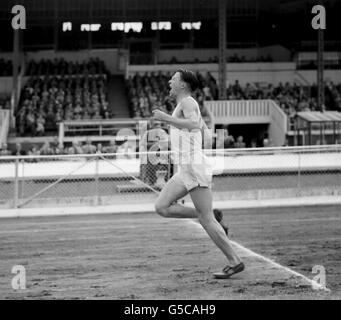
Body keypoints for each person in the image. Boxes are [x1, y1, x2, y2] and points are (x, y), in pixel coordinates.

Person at [152, 69, 244, 279]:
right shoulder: (184, 105)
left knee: (206, 219)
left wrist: (165, 118)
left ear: (183, 85)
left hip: (193, 166)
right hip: (186, 167)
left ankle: (235, 261)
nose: (169, 81)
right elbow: (201, 129)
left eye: (173, 79)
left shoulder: (188, 103)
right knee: (162, 207)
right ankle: (213, 215)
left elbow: (194, 124)